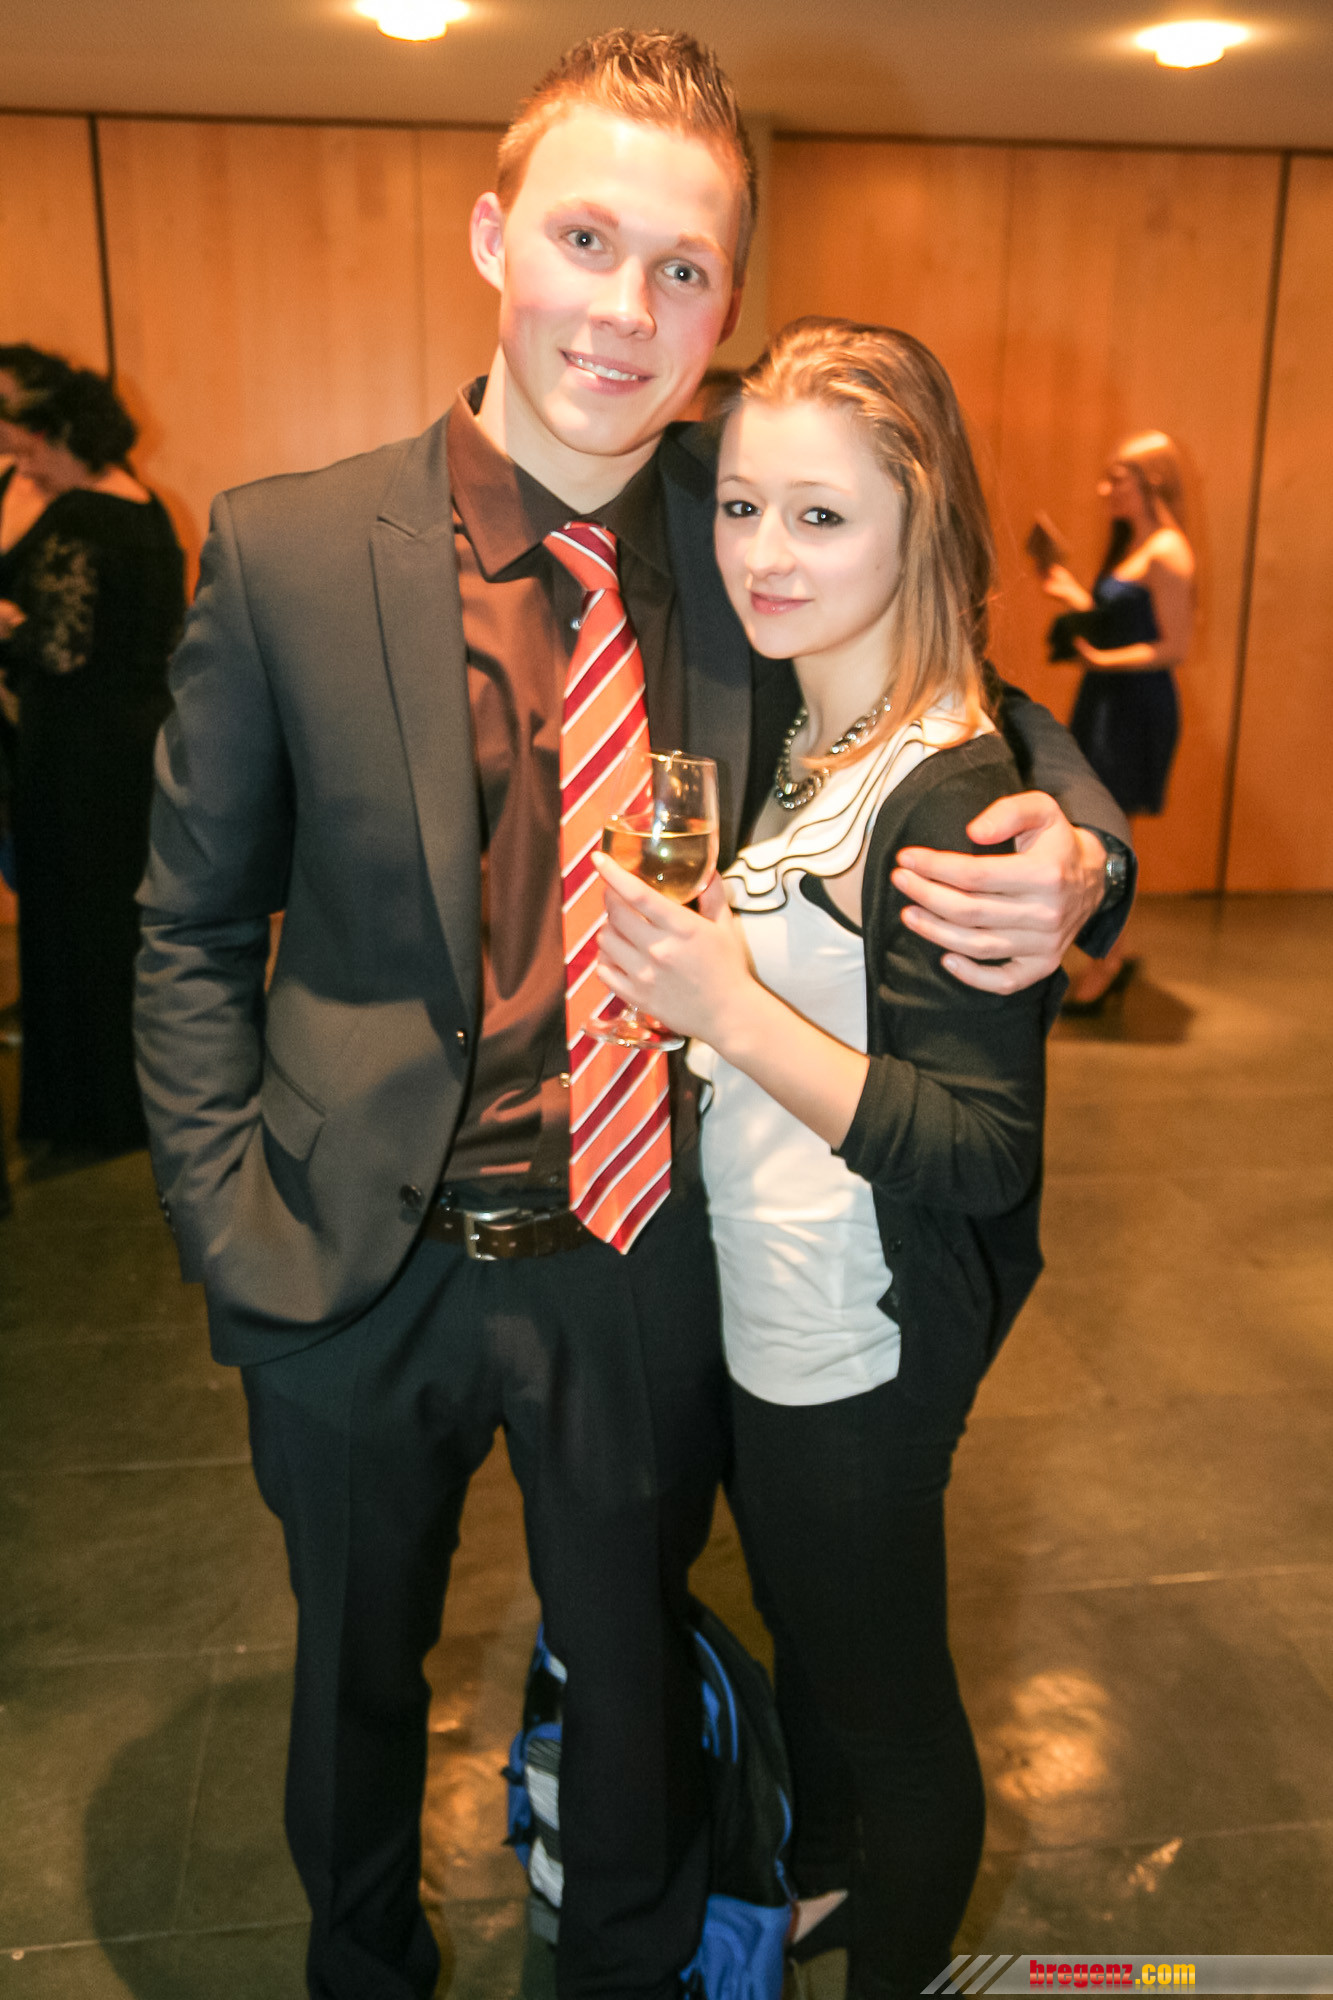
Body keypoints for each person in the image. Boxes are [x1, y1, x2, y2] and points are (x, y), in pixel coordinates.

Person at [133, 33, 1133, 2000]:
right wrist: (227, 1228)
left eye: (682, 269)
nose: (623, 309)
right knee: (350, 1680)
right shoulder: (286, 549)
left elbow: (972, 696)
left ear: (726, 302)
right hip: (349, 1262)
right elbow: (187, 927)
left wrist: (1083, 850)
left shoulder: (747, 529)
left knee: (635, 1673)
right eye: (584, 240)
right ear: (491, 236)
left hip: (638, 1254)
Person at [594, 318, 1058, 1999]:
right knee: (818, 1652)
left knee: (891, 1713)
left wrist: (725, 1000)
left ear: (917, 526)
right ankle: (836, 1889)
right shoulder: (811, 736)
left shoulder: (948, 794)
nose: (762, 556)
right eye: (741, 508)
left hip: (855, 1341)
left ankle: (894, 1955)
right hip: (772, 1308)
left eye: (819, 516)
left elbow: (979, 1150)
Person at [0, 345, 183, 1156]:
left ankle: (86, 1114)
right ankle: (132, 1103)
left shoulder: (80, 519)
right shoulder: (144, 506)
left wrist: (8, 629)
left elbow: (61, 649)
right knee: (118, 926)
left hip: (75, 748)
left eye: (25, 446)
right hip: (134, 744)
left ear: (56, 436)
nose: (19, 462)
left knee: (72, 929)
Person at [1039, 431, 1194, 1010]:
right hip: (1108, 698)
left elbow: (1174, 646)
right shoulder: (1140, 545)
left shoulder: (1169, 552)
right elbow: (1125, 620)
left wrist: (1103, 660)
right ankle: (1108, 953)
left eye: (1117, 479)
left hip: (1133, 706)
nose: (1106, 491)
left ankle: (1107, 960)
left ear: (1151, 482)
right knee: (1100, 826)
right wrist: (1075, 597)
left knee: (1109, 835)